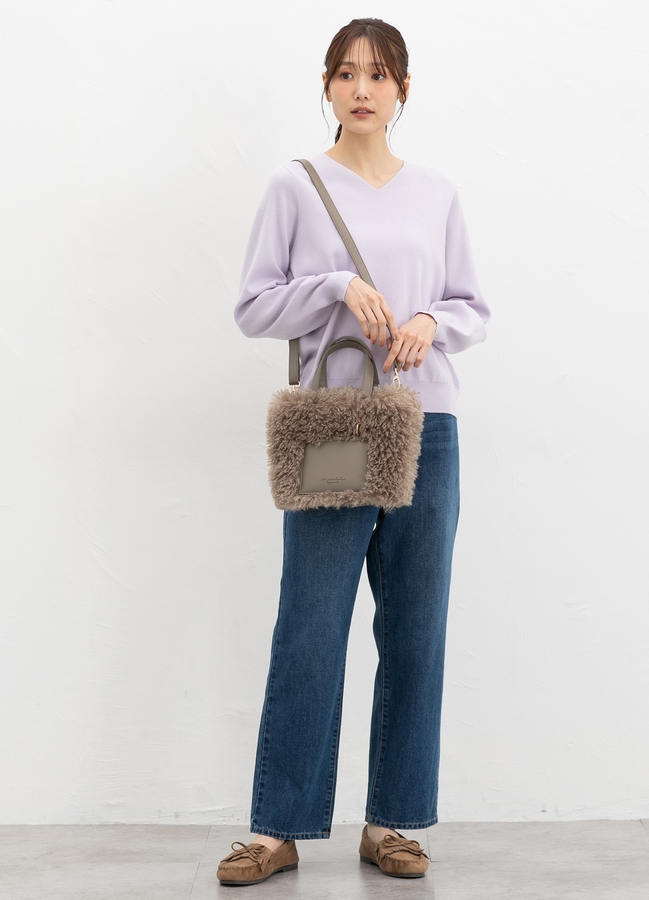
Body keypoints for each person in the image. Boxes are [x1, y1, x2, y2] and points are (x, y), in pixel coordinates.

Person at [217, 17, 490, 886]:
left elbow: (472, 307)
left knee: (416, 629)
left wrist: (429, 319)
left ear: (404, 89)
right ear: (327, 87)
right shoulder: (295, 187)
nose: (361, 89)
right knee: (310, 625)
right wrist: (336, 286)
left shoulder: (437, 192)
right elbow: (253, 306)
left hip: (428, 425)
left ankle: (392, 823)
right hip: (335, 424)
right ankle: (277, 829)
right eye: (345, 74)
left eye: (378, 74)